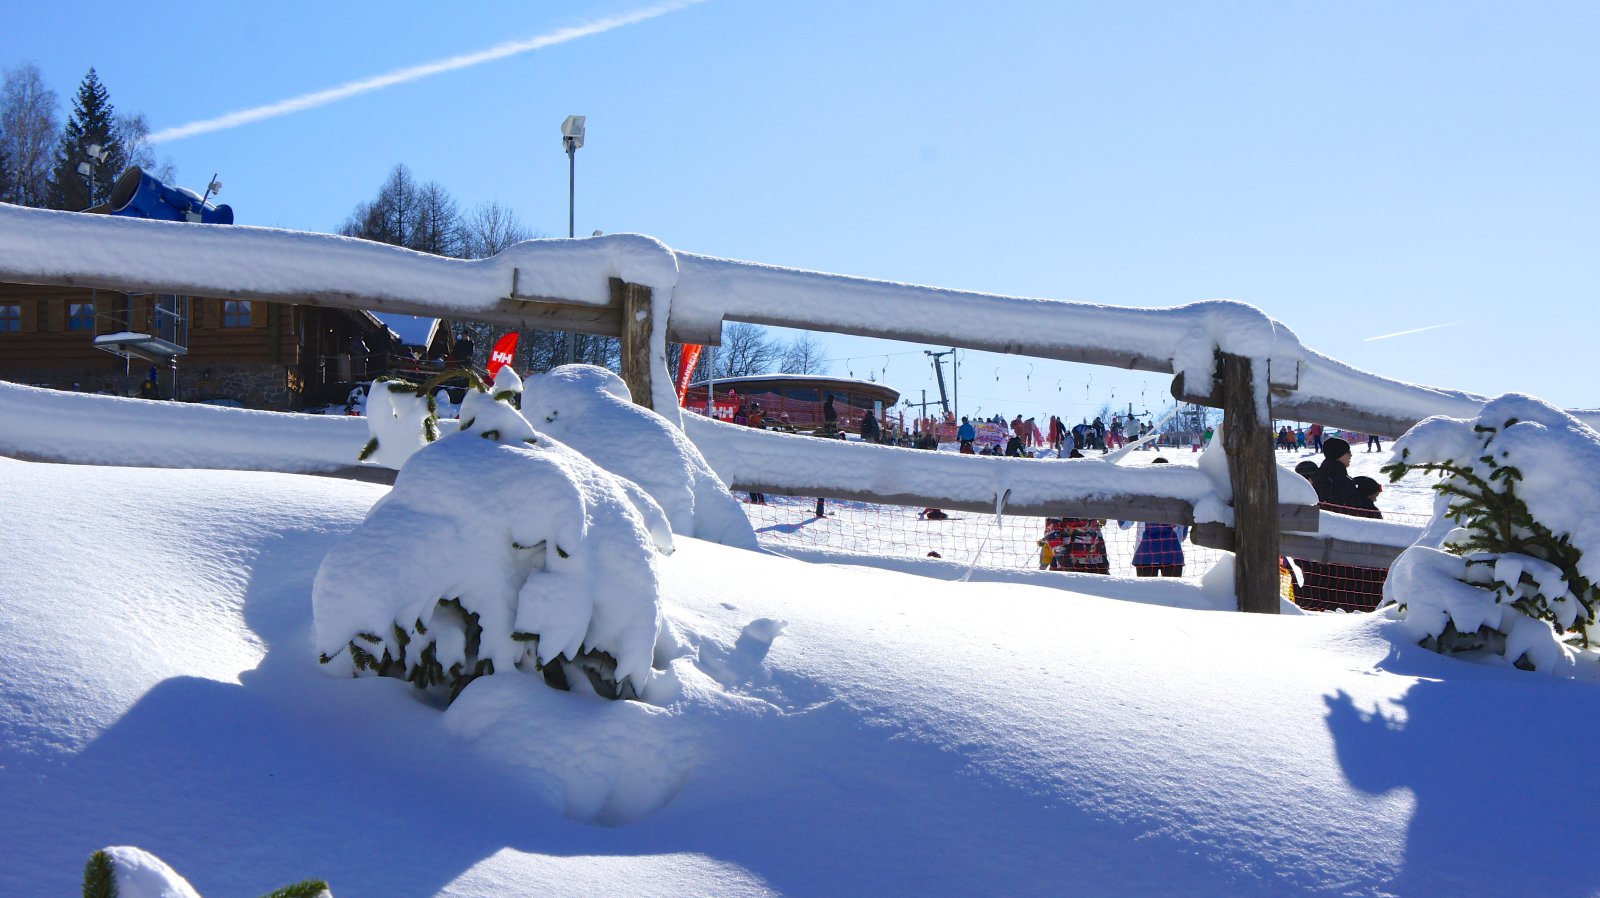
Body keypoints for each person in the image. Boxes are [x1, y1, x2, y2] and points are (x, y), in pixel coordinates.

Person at [1119, 457, 1187, 576]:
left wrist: (1122, 501)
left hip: (1145, 553)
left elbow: (1124, 525)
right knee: (1173, 594)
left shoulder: (1140, 494)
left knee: (1146, 594)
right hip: (1172, 552)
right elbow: (1183, 534)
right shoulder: (1179, 495)